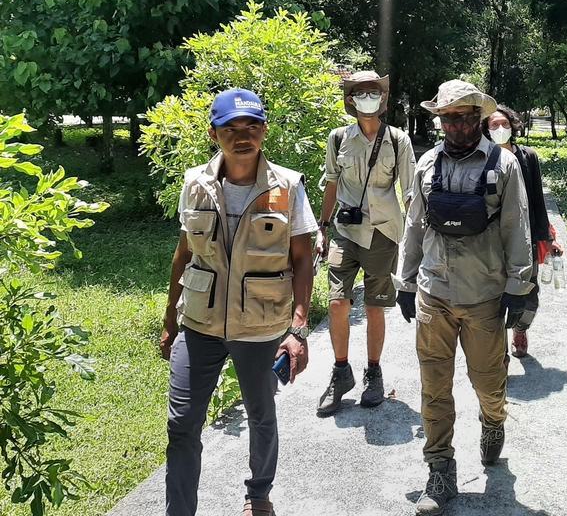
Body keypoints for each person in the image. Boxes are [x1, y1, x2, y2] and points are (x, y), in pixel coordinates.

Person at [159, 88, 317, 516]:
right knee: (181, 425)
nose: (242, 136)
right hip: (199, 324)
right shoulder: (195, 185)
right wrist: (170, 320)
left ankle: (259, 495)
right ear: (214, 134)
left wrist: (297, 328)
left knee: (261, 414)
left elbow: (304, 260)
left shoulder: (287, 187)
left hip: (262, 325)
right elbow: (184, 254)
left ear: (264, 130)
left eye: (251, 126)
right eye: (231, 128)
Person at [394, 80, 533, 515]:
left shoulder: (503, 164)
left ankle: (493, 422)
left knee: (487, 382)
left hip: (484, 296)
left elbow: (516, 227)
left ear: (478, 118)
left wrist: (519, 288)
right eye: (448, 117)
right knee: (434, 388)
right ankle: (440, 469)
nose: (456, 125)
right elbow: (414, 225)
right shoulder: (427, 163)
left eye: (464, 117)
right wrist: (405, 282)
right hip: (434, 294)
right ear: (440, 120)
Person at [315, 70, 416, 414]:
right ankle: (340, 371)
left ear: (384, 100)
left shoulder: (398, 140)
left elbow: (410, 192)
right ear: (351, 101)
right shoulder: (338, 137)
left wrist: (419, 236)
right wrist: (322, 227)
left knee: (375, 306)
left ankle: (374, 372)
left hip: (384, 233)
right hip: (346, 231)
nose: (369, 98)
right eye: (362, 93)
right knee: (337, 302)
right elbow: (331, 183)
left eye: (375, 92)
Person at [483, 105, 562, 358]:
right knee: (493, 298)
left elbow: (537, 200)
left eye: (504, 123)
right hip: (491, 240)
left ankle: (520, 329)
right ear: (485, 128)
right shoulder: (481, 157)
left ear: (514, 125)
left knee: (530, 297)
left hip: (525, 238)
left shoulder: (527, 156)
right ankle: (500, 352)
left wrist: (547, 238)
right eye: (493, 125)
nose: (500, 129)